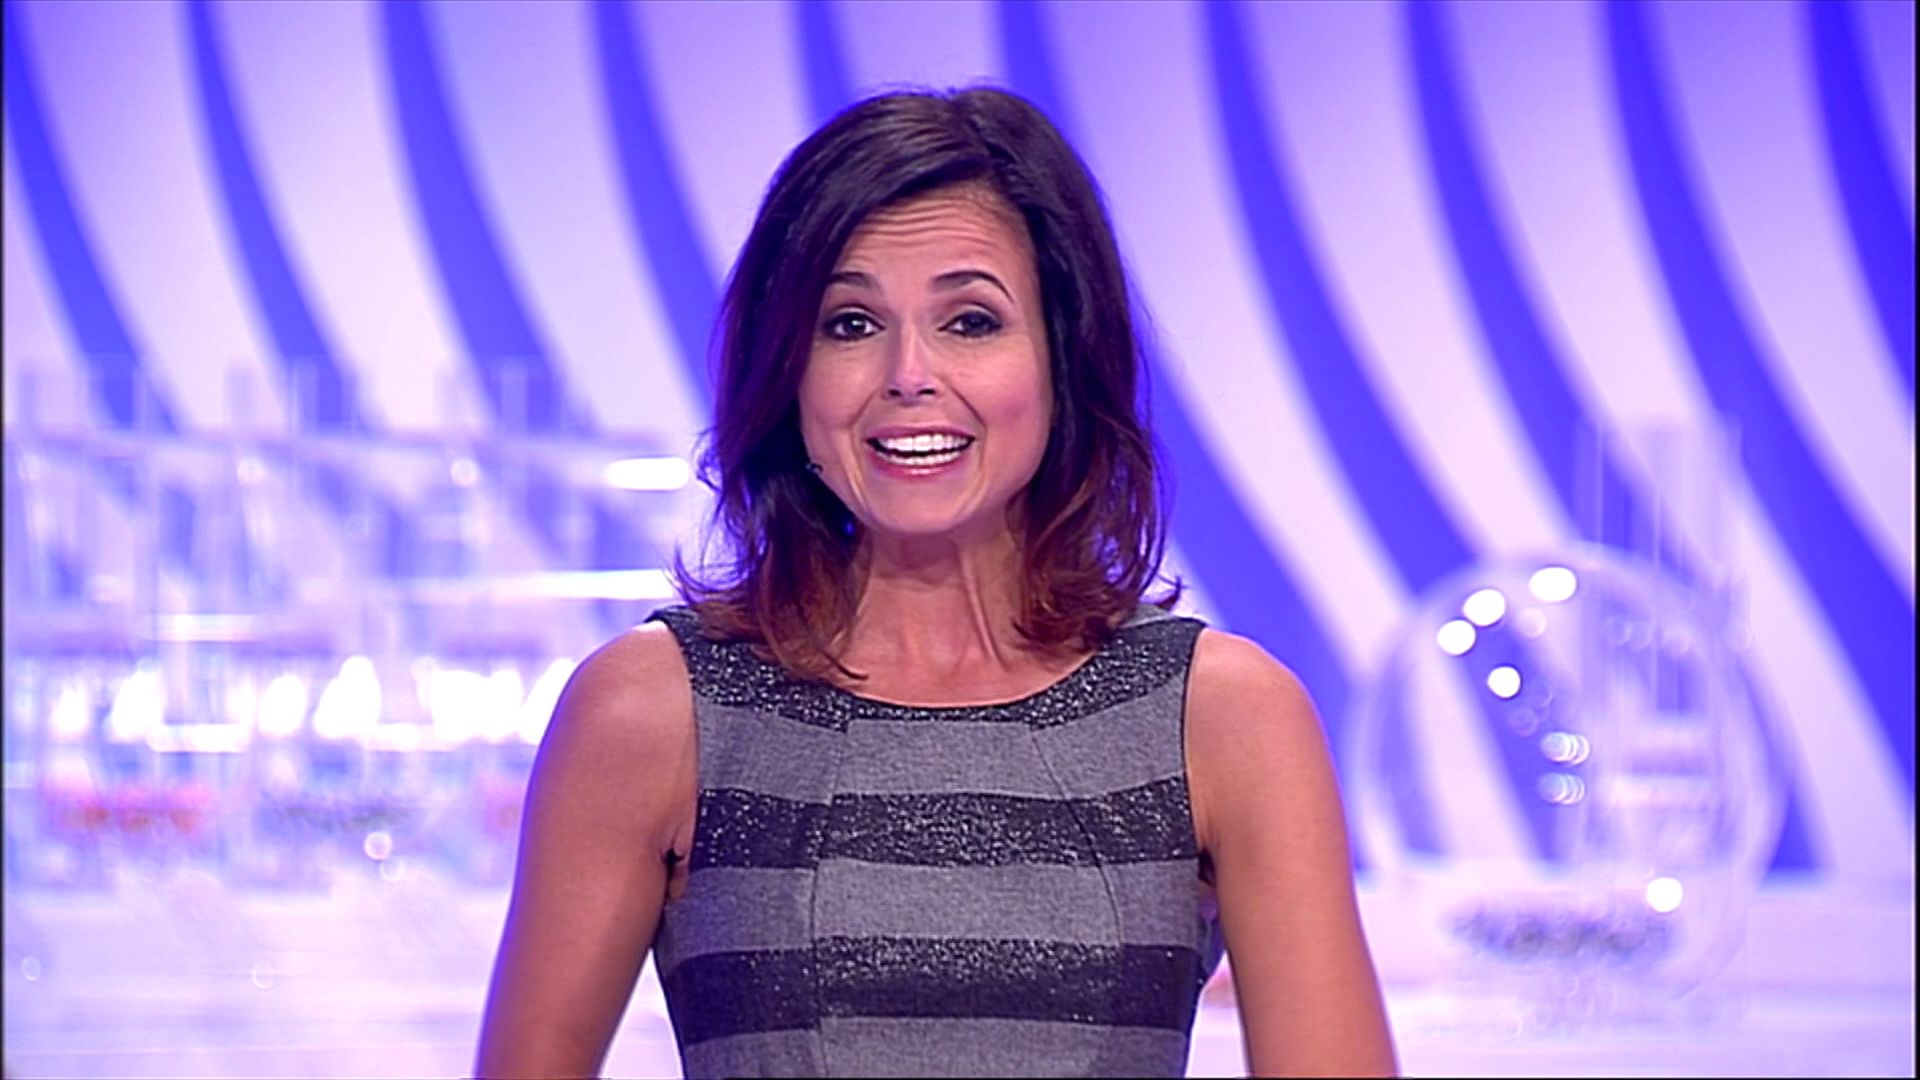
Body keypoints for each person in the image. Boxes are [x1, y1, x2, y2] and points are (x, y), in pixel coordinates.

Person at [475, 87, 1396, 1079]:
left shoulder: (1225, 719)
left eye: (970, 320)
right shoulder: (649, 712)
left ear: (1062, 358)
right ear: (787, 373)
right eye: (850, 323)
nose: (908, 374)